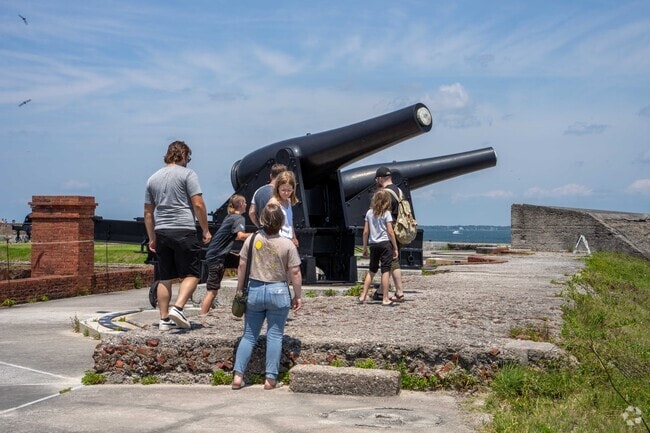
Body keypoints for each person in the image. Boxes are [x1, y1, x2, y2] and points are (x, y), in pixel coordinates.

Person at [232, 202, 303, 390]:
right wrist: (298, 295)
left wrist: (240, 289)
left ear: (262, 220)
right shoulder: (287, 244)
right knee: (275, 335)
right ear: (281, 222)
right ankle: (270, 378)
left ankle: (238, 376)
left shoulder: (252, 239)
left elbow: (241, 265)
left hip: (255, 289)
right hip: (278, 290)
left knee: (248, 335)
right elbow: (295, 272)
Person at [144, 140, 212, 331]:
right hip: (183, 229)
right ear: (183, 155)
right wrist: (205, 229)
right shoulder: (188, 174)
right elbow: (198, 204)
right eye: (188, 158)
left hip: (162, 231)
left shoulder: (152, 178)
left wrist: (152, 238)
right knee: (192, 274)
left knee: (165, 277)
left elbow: (148, 213)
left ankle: (164, 320)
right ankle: (178, 308)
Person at [200, 195, 251, 315]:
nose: (246, 205)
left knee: (242, 260)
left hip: (218, 255)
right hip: (217, 257)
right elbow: (240, 236)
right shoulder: (238, 218)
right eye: (245, 203)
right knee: (212, 291)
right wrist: (257, 235)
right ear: (241, 204)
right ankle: (202, 316)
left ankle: (241, 288)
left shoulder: (230, 217)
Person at [357, 189, 399, 306]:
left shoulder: (369, 213)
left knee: (372, 270)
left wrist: (365, 247)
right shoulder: (387, 214)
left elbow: (365, 232)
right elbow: (390, 232)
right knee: (385, 270)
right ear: (387, 201)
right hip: (385, 244)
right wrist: (395, 247)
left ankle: (362, 296)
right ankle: (385, 298)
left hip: (373, 244)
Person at [374, 166, 406, 302]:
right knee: (389, 262)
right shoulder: (399, 191)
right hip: (400, 228)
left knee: (392, 262)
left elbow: (384, 217)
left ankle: (399, 292)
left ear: (381, 179)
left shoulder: (385, 194)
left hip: (389, 231)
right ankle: (381, 290)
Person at [248, 163, 287, 228]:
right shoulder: (282, 192)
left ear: (271, 176)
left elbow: (251, 213)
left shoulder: (258, 191)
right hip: (279, 232)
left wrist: (259, 227)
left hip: (264, 232)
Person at [267, 170, 299, 247]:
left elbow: (289, 222)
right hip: (278, 241)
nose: (286, 193)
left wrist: (294, 237)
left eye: (289, 190)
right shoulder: (274, 203)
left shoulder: (288, 201)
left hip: (288, 240)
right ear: (278, 188)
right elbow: (269, 225)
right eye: (283, 190)